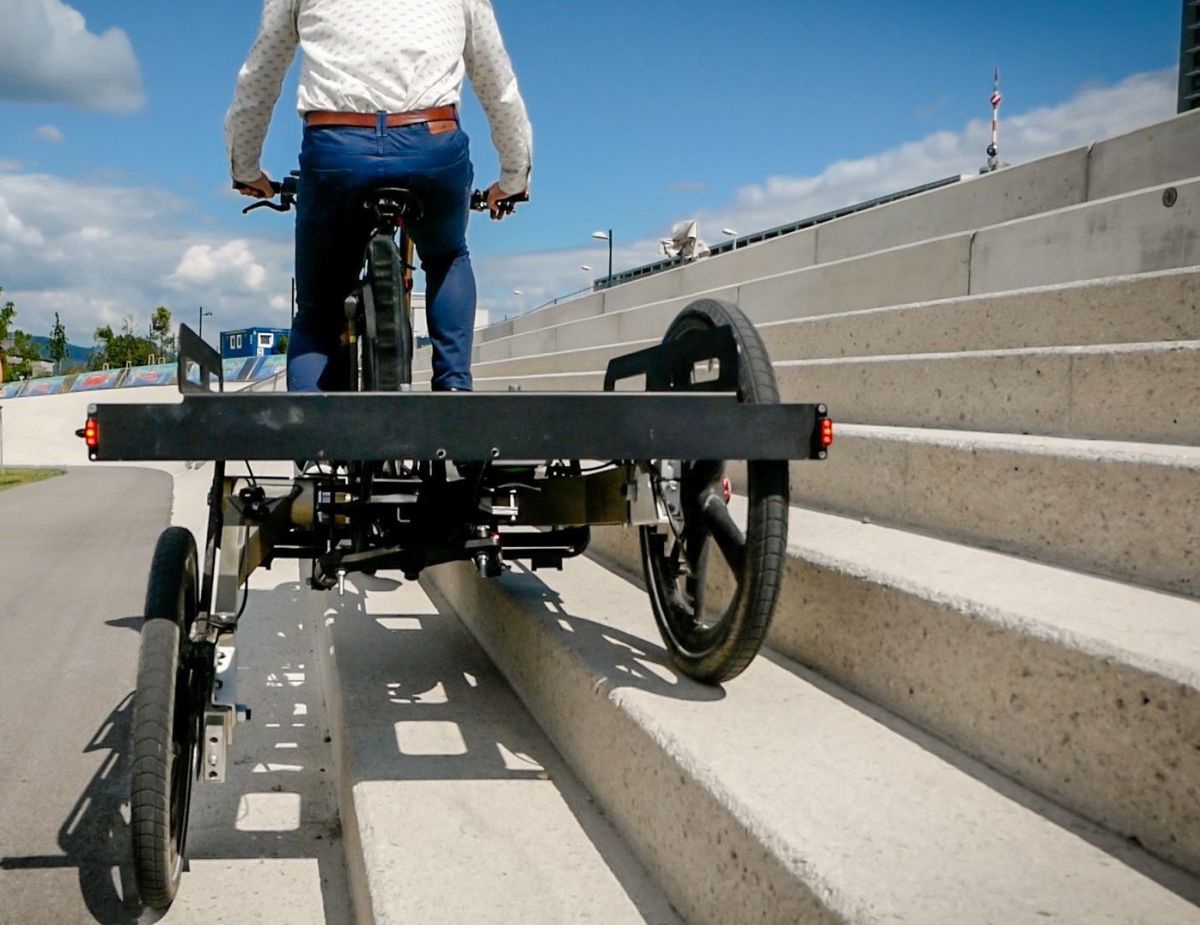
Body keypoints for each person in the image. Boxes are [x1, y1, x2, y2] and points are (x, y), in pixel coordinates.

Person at [224, 0, 532, 393]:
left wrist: (246, 170)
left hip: (337, 147)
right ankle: (454, 390)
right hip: (431, 144)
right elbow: (497, 83)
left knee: (320, 307)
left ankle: (311, 424)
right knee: (446, 256)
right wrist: (513, 175)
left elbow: (260, 77)